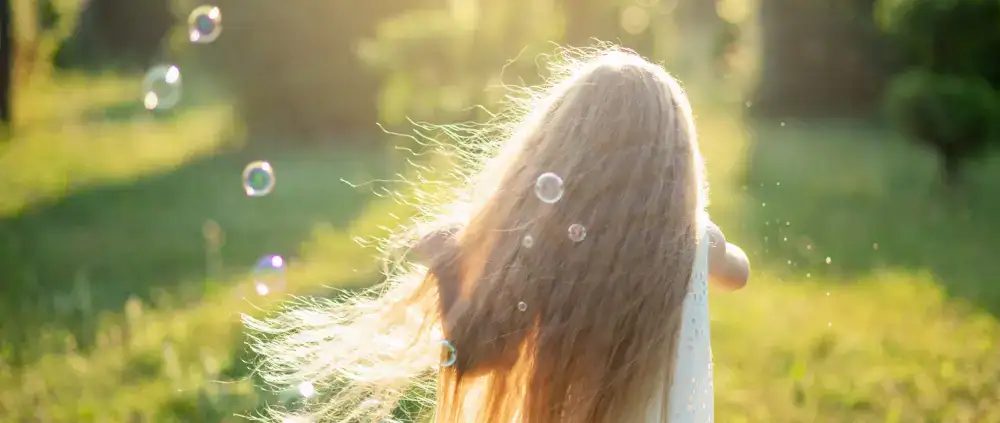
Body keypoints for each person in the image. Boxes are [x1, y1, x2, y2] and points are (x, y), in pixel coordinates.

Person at [245, 45, 750, 423]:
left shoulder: (550, 250)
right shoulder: (691, 242)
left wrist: (453, 264)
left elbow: (484, 355)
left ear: (558, 152)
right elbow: (738, 274)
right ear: (674, 167)